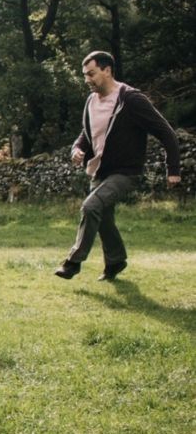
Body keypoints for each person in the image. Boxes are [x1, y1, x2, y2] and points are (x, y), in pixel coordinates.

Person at [55, 51, 181, 281]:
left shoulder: (131, 99)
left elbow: (166, 132)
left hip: (125, 171)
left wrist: (172, 169)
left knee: (91, 207)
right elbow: (86, 132)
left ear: (107, 70)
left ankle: (72, 263)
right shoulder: (91, 101)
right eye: (84, 75)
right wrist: (77, 148)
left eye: (91, 74)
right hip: (99, 170)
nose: (87, 80)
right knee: (103, 219)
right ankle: (115, 261)